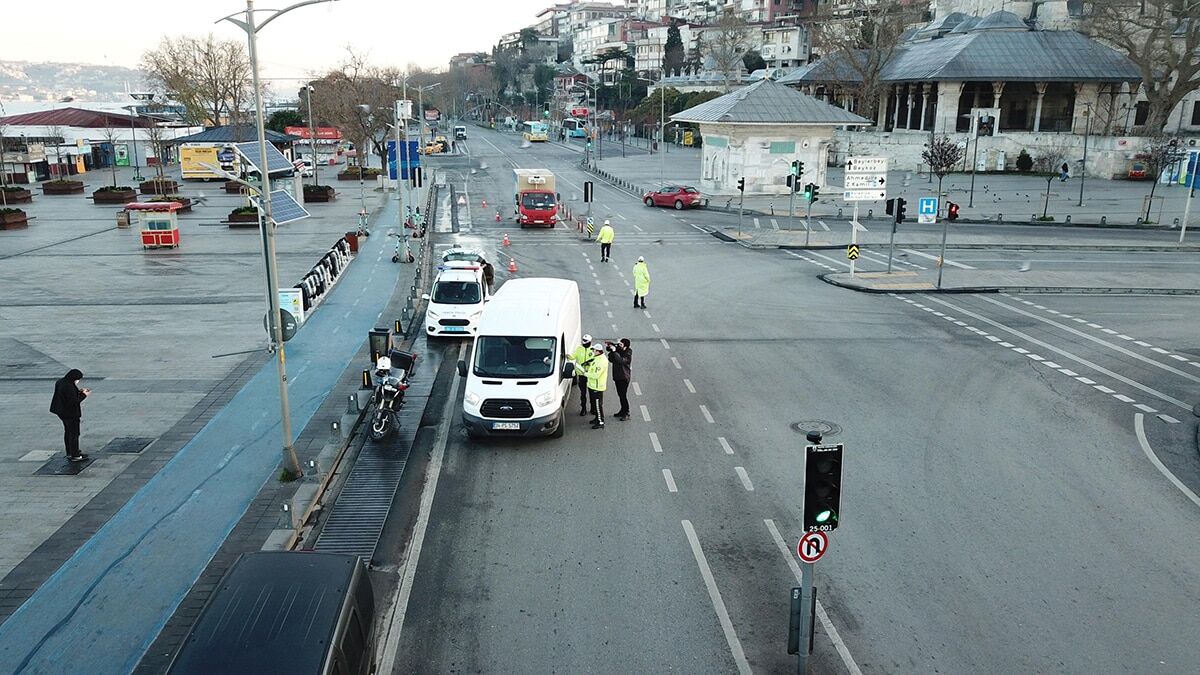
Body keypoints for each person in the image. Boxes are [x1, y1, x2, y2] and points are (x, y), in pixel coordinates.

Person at [50, 368, 90, 462]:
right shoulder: (69, 386)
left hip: (61, 411)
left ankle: (70, 451)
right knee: (74, 434)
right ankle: (75, 455)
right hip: (70, 413)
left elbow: (67, 395)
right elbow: (74, 401)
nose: (78, 381)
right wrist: (84, 395)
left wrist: (79, 392)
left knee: (68, 432)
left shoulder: (61, 382)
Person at [607, 338, 632, 420]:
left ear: (625, 346)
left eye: (621, 345)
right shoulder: (618, 351)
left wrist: (614, 351)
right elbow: (610, 359)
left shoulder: (628, 354)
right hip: (617, 376)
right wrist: (611, 350)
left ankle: (626, 412)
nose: (619, 346)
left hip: (624, 377)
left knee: (623, 395)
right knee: (620, 395)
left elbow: (621, 361)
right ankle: (622, 410)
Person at [586, 343, 609, 429]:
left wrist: (585, 373)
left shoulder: (601, 361)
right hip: (593, 385)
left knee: (598, 405)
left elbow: (595, 375)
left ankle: (600, 421)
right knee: (595, 405)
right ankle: (597, 418)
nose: (592, 351)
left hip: (597, 386)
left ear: (598, 351)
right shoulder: (597, 358)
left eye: (594, 350)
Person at [571, 335, 595, 416]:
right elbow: (573, 356)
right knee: (583, 393)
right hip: (581, 374)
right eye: (583, 341)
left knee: (592, 393)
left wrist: (589, 363)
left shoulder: (593, 350)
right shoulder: (579, 349)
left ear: (590, 342)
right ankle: (583, 408)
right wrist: (567, 356)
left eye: (586, 341)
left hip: (590, 375)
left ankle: (593, 408)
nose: (584, 343)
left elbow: (596, 361)